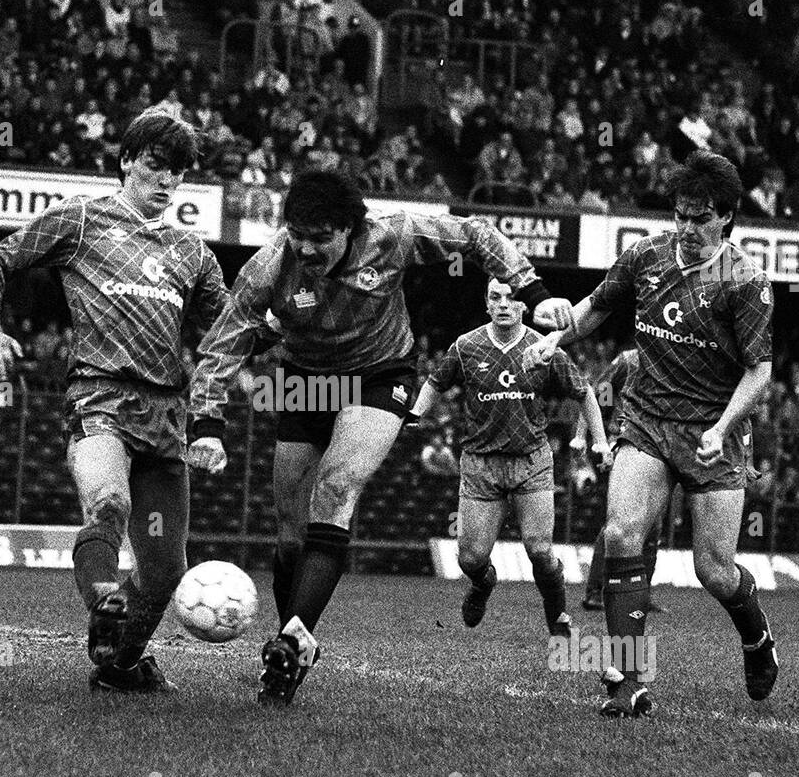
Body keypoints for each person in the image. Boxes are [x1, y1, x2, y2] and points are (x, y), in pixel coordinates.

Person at [188, 168, 574, 705]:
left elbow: (476, 234)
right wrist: (206, 425)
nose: (307, 247)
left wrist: (533, 289)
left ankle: (290, 640)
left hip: (379, 375)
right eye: (298, 234)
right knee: (291, 533)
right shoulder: (270, 267)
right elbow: (222, 343)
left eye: (321, 238)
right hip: (304, 382)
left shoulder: (392, 235)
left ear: (350, 229)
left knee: (337, 486)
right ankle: (292, 644)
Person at [0, 110, 228, 694]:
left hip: (167, 418)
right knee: (108, 502)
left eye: (177, 174)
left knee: (164, 572)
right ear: (127, 162)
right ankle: (104, 599)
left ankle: (119, 664)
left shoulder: (193, 253)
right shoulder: (81, 222)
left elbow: (229, 330)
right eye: (156, 168)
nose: (165, 183)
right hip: (99, 399)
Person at [554, 150, 778, 717]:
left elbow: (760, 371)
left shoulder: (746, 281)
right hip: (648, 421)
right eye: (681, 215)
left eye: (701, 218)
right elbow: (594, 310)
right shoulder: (647, 255)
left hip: (714, 436)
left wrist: (725, 426)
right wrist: (555, 330)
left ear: (725, 217)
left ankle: (756, 637)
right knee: (623, 533)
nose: (688, 228)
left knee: (714, 570)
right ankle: (627, 680)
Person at [410, 278, 611, 635]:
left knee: (539, 551)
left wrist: (600, 440)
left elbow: (584, 392)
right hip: (480, 464)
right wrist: (415, 414)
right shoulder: (465, 346)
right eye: (495, 298)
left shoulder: (543, 347)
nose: (503, 304)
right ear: (487, 305)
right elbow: (435, 383)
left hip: (530, 461)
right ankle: (483, 583)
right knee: (470, 559)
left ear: (524, 307)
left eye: (511, 298)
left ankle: (557, 611)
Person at [572, 348, 668, 614]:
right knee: (619, 521)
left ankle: (640, 594)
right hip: (623, 443)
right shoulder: (627, 362)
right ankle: (595, 592)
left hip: (657, 448)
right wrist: (585, 442)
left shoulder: (675, 363)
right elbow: (591, 397)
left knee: (654, 525)